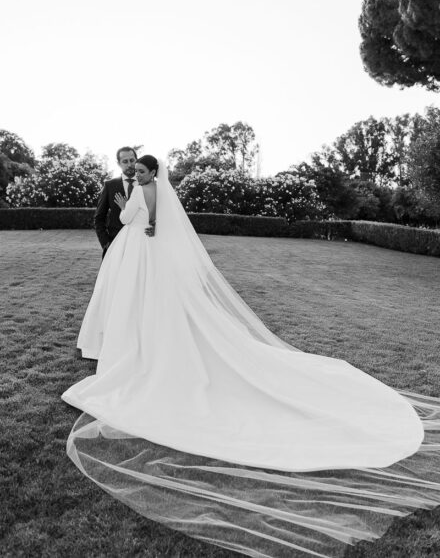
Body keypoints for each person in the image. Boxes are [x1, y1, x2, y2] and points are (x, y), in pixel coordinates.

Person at [61, 155, 440, 557]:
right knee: (150, 307)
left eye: (140, 170)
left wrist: (125, 210)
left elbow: (134, 224)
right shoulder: (156, 191)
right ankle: (141, 343)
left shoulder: (143, 191)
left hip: (140, 254)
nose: (135, 174)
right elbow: (154, 226)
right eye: (133, 170)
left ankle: (141, 350)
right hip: (146, 255)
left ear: (152, 172)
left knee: (143, 306)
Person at [94, 146, 154, 259]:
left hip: (143, 245)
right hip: (115, 244)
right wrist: (106, 243)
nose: (129, 164)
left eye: (132, 160)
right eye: (125, 161)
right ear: (118, 163)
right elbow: (99, 218)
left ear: (137, 160)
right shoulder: (110, 185)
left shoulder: (148, 185)